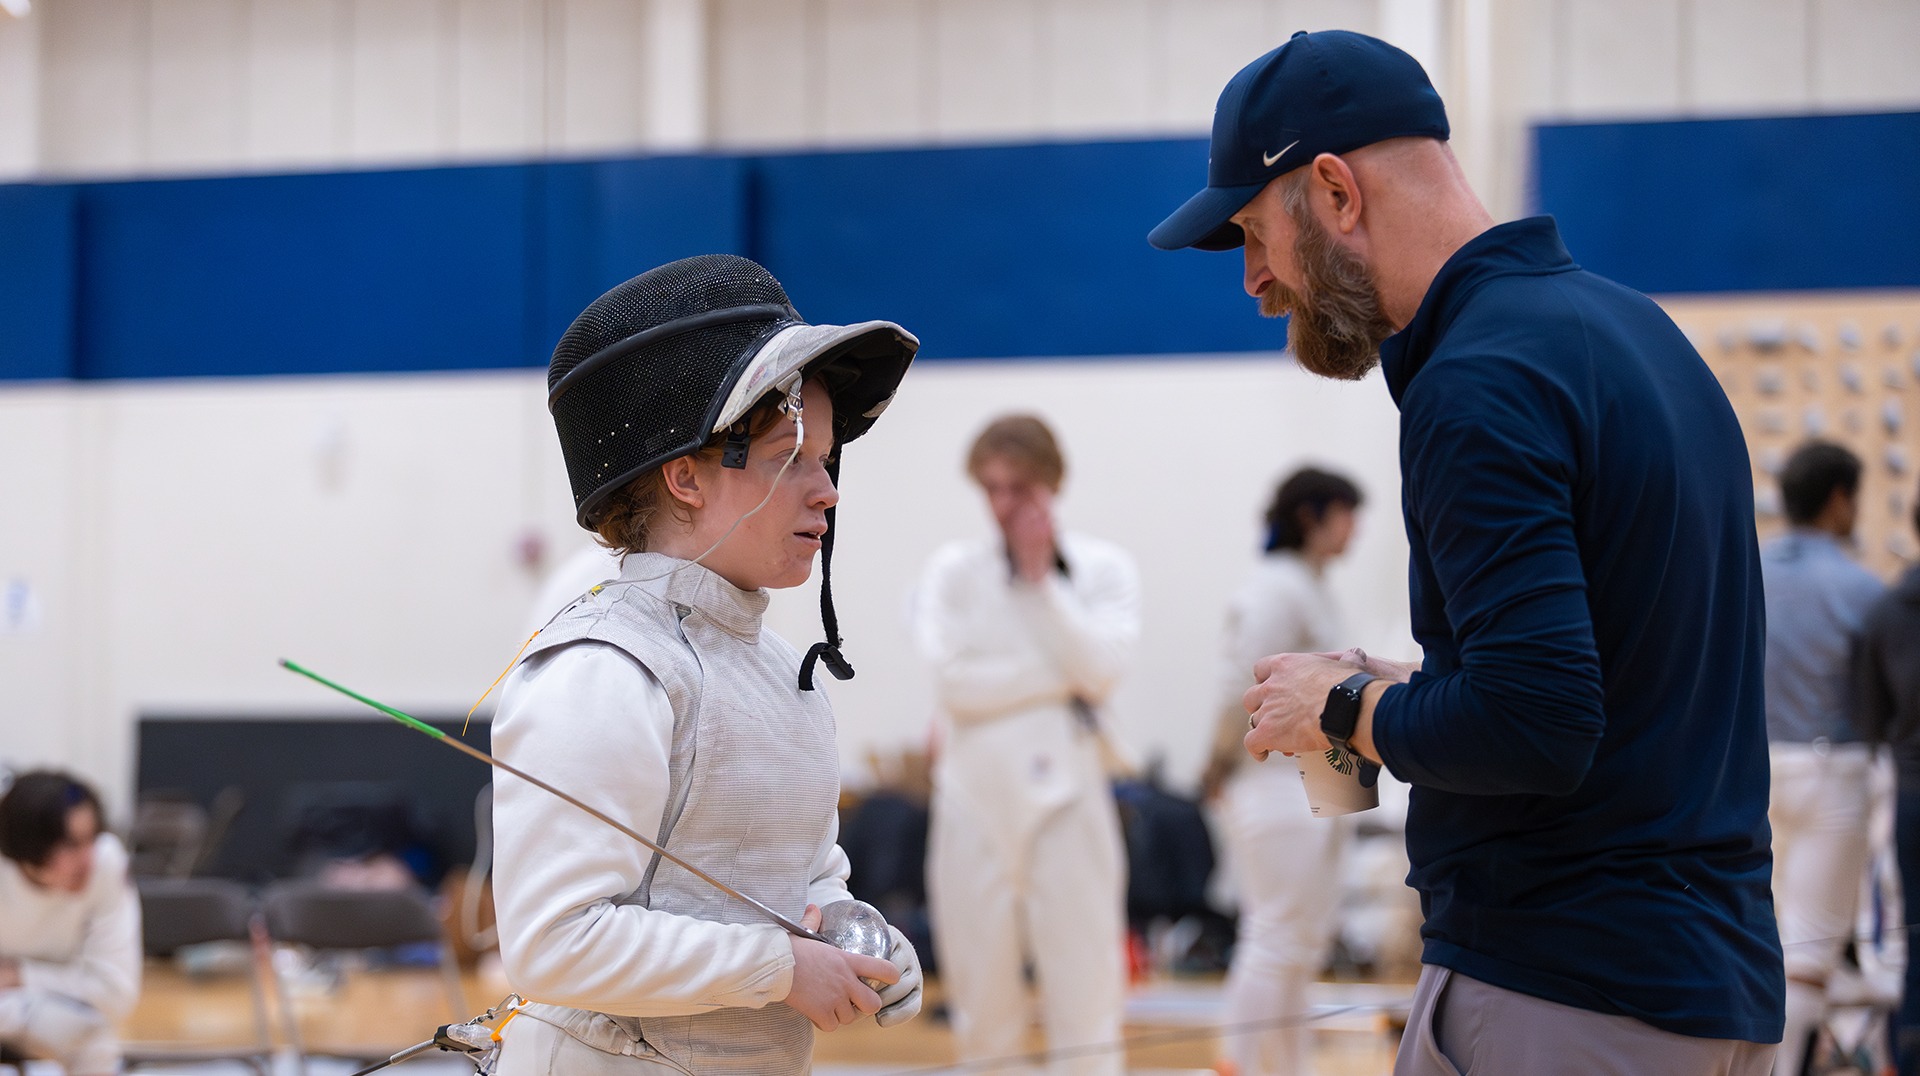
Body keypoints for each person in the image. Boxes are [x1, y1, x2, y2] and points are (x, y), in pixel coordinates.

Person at [1149, 30, 1782, 1074]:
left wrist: (1342, 708)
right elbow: (1621, 678)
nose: (1257, 281)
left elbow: (1539, 724)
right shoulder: (1640, 334)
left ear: (1336, 191)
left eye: (1256, 233)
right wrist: (1408, 685)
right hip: (1710, 985)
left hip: (1566, 987)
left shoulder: (1476, 380)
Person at [490, 254, 924, 1073]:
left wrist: (851, 930)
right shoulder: (606, 669)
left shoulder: (779, 670)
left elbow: (804, 879)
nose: (825, 489)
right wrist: (779, 968)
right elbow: (554, 943)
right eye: (789, 457)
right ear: (684, 476)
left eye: (826, 459)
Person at [912, 414, 1140, 1076]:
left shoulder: (1101, 570)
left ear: (1050, 484)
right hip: (971, 801)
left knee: (1088, 1000)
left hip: (1070, 801)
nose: (1003, 505)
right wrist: (1058, 680)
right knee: (983, 1008)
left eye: (1018, 488)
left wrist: (1043, 586)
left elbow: (1101, 672)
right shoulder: (954, 571)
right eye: (991, 488)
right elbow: (953, 687)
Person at [1201, 467, 1363, 1076]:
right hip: (1274, 779)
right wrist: (1219, 761)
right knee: (1273, 938)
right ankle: (1237, 1064)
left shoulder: (1312, 585)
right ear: (1309, 516)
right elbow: (1237, 686)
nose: (1354, 529)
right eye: (1344, 512)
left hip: (1329, 772)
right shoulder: (1276, 586)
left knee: (1305, 944)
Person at [1759, 441, 1886, 1075]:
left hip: (1752, 771)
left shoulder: (1746, 570)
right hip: (1833, 772)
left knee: (1764, 939)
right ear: (1840, 499)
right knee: (1808, 951)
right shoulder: (1862, 589)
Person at [0, 770, 141, 1076]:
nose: (87, 859)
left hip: (42, 1005)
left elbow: (116, 992)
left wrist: (21, 975)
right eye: (71, 845)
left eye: (91, 839)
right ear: (27, 845)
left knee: (94, 1041)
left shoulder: (106, 863)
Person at [1856, 476, 1920, 1075]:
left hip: (1911, 796)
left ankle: (1906, 1054)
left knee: (1912, 937)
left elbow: (1871, 720)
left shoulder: (1885, 611)